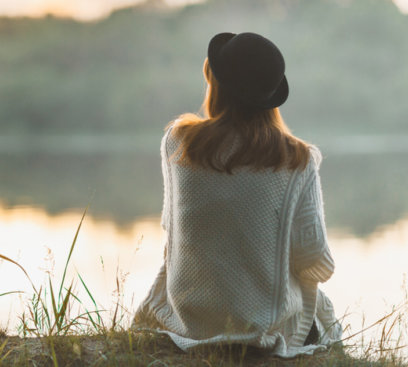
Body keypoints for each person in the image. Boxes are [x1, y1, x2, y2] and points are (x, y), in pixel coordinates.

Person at [132, 32, 343, 357]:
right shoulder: (298, 160)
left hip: (190, 319)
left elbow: (171, 230)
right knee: (322, 313)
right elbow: (314, 260)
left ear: (217, 88)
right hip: (260, 330)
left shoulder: (178, 143)